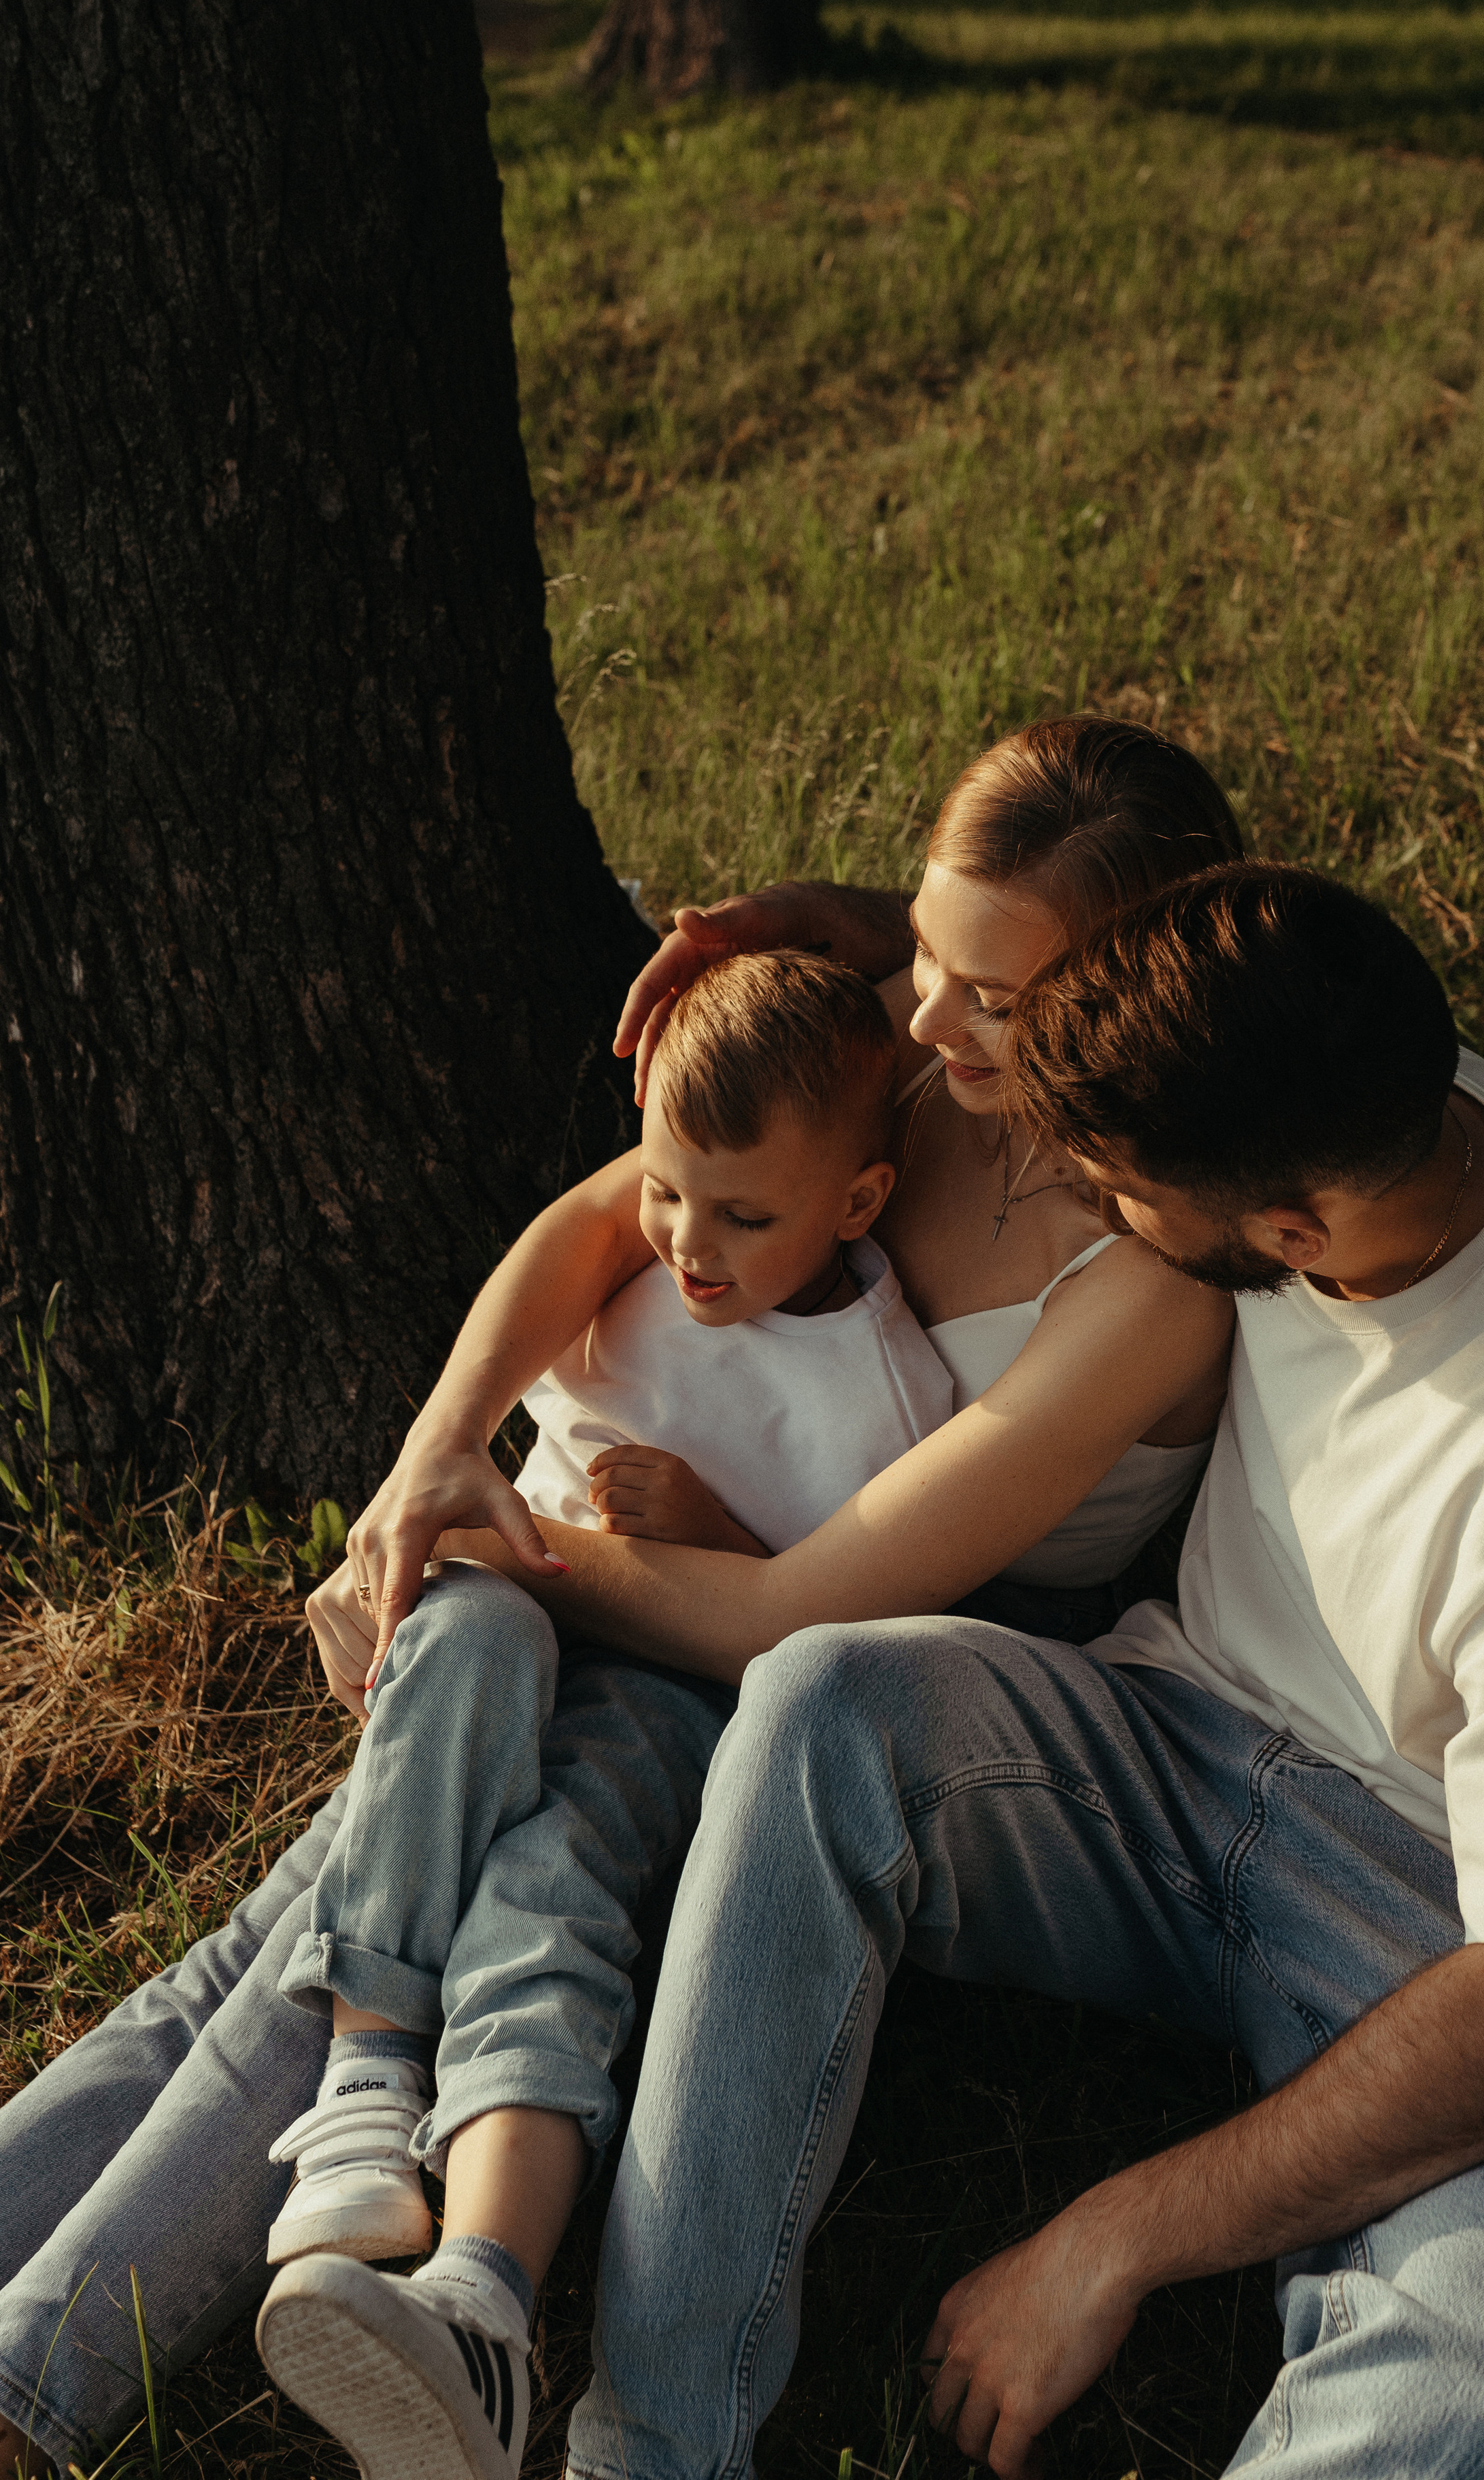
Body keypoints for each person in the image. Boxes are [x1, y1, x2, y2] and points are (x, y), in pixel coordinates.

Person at [0, 718, 1233, 2480]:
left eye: (981, 990)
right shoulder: (923, 1057)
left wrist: (511, 1550)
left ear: (1121, 993)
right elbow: (601, 1221)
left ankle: (36, 2392)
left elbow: (800, 1607)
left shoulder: (1146, 1276)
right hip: (628, 1572)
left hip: (818, 1676)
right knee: (300, 1930)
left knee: (382, 1939)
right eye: (925, 962)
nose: (922, 1012)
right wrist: (438, 1457)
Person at [544, 862, 1484, 2480]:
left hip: (1434, 1914)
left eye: (1125, 1204)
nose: (1087, 1217)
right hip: (1163, 1728)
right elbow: (1145, 933)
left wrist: (1114, 2234)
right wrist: (885, 934)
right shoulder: (1339, 1062)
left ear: (1293, 1235)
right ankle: (653, 2446)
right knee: (824, 1701)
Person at [250, 953, 957, 2480]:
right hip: (512, 1632)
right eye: (663, 1192)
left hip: (676, 1694)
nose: (690, 1249)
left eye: (743, 1218)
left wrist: (710, 1527)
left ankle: (482, 2290)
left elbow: (849, 1637)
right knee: (468, 1643)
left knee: (543, 1894)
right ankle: (370, 2078)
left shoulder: (887, 1396)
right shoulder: (630, 1271)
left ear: (856, 1201)